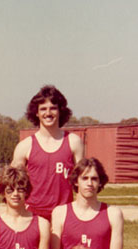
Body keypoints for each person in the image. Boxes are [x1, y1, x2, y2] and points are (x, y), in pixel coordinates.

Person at [10, 85, 84, 221]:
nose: (48, 113)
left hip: (64, 214)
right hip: (33, 214)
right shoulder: (25, 146)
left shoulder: (74, 142)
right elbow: (11, 185)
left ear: (60, 111)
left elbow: (82, 183)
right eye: (43, 109)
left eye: (53, 108)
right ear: (36, 113)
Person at [50, 158, 123, 249]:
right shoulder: (60, 212)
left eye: (94, 179)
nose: (89, 183)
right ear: (76, 181)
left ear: (100, 182)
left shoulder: (113, 213)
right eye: (84, 178)